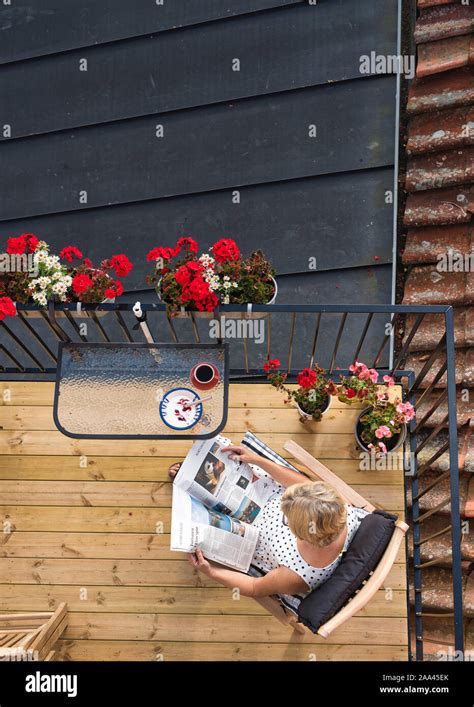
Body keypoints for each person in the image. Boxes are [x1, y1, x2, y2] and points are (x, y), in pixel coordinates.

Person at [169, 445, 369, 608]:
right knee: (223, 476)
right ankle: (191, 480)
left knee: (199, 511)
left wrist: (211, 572)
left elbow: (255, 587)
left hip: (250, 533)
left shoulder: (295, 576)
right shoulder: (339, 506)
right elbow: (303, 485)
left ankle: (190, 485)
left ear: (300, 534)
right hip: (261, 495)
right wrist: (258, 461)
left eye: (288, 516)